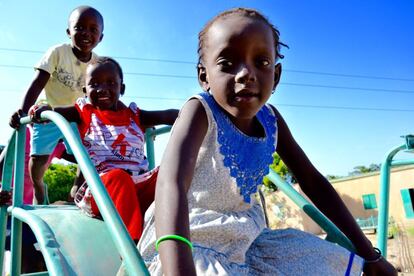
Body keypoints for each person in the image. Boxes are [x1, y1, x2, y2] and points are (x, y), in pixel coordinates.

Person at [129, 8, 397, 276]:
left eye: (262, 63)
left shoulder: (272, 121)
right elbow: (171, 183)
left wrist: (369, 254)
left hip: (249, 239)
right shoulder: (200, 111)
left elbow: (313, 181)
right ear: (204, 77)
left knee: (328, 259)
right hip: (193, 236)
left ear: (276, 76)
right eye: (227, 63)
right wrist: (178, 268)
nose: (247, 73)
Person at [31, 56, 179, 242]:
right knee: (118, 177)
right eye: (94, 84)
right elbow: (54, 112)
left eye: (111, 83)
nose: (103, 88)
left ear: (121, 88)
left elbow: (167, 115)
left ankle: (177, 238)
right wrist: (43, 108)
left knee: (170, 172)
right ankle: (133, 249)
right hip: (100, 191)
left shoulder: (136, 115)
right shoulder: (85, 112)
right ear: (85, 91)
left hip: (138, 185)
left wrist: (195, 112)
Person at [9, 5, 104, 204]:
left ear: (100, 37)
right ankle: (38, 186)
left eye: (93, 29)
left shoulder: (98, 64)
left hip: (77, 115)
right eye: (80, 28)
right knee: (38, 161)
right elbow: (37, 83)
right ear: (69, 32)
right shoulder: (57, 53)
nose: (86, 33)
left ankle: (76, 190)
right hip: (49, 112)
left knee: (90, 152)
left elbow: (104, 95)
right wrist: (24, 112)